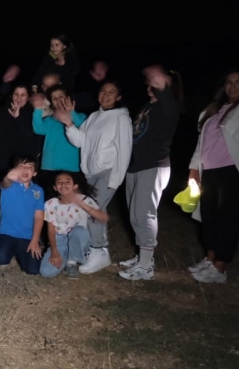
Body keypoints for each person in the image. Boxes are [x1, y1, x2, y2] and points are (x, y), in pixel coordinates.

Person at [56, 80, 132, 274]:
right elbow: (79, 141)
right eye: (103, 91)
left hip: (109, 171)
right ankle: (97, 250)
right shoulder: (94, 117)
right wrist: (68, 123)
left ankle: (99, 251)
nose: (105, 95)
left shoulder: (121, 118)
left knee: (93, 208)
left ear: (119, 97)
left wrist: (116, 179)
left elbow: (125, 149)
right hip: (90, 172)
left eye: (111, 92)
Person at [118, 67, 182, 281]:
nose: (151, 83)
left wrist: (161, 80)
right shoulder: (147, 107)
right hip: (135, 166)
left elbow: (166, 94)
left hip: (154, 166)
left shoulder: (169, 106)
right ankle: (143, 257)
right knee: (134, 215)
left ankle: (146, 267)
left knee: (144, 215)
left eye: (158, 81)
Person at [186, 70, 239, 284]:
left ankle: (220, 267)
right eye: (229, 82)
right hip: (208, 170)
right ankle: (210, 260)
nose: (233, 86)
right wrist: (193, 169)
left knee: (228, 219)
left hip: (231, 171)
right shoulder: (214, 109)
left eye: (238, 82)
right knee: (208, 216)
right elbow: (202, 143)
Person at [0, 82, 37, 226]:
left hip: (19, 165)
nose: (19, 98)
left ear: (28, 97)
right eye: (16, 94)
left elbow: (31, 137)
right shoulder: (1, 111)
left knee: (19, 200)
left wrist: (18, 117)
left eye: (23, 95)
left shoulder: (32, 113)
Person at [39, 171, 107, 279]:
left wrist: (80, 203)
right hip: (60, 239)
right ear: (55, 187)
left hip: (79, 238)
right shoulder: (50, 204)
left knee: (78, 231)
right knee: (46, 272)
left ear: (75, 186)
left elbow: (103, 218)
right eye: (59, 182)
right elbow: (51, 230)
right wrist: (54, 252)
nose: (63, 184)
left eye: (67, 182)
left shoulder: (84, 199)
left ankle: (72, 262)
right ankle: (66, 257)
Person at [0, 157, 45, 275]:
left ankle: (20, 253)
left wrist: (35, 240)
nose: (25, 169)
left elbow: (39, 217)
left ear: (35, 173)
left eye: (29, 167)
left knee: (33, 270)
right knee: (0, 257)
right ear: (14, 169)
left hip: (28, 236)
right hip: (7, 233)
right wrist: (9, 176)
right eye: (21, 166)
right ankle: (6, 251)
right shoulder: (9, 185)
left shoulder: (38, 191)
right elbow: (5, 181)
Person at [32, 84, 86, 195]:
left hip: (71, 168)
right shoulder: (50, 119)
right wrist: (37, 109)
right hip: (49, 167)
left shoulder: (81, 116)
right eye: (54, 98)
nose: (58, 100)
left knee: (71, 201)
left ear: (68, 98)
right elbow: (38, 129)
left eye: (61, 96)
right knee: (49, 200)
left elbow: (82, 126)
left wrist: (71, 112)